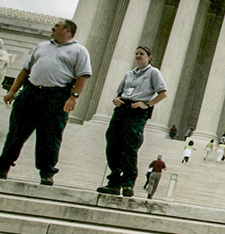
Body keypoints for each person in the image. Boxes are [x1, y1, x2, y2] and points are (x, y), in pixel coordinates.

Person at [0, 19, 91, 185]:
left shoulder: (79, 51)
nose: (53, 28)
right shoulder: (42, 46)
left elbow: (83, 76)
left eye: (57, 26)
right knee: (16, 132)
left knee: (50, 136)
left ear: (67, 31)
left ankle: (46, 172)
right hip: (31, 92)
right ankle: (3, 166)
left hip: (56, 97)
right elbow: (25, 70)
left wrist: (74, 97)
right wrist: (13, 91)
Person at [96, 46, 167, 197]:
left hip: (137, 111)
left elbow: (163, 93)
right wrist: (115, 99)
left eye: (141, 54)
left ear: (149, 57)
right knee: (113, 144)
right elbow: (120, 92)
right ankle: (113, 182)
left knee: (130, 147)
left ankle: (128, 183)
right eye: (136, 54)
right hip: (122, 108)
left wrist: (147, 104)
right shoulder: (129, 74)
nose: (138, 56)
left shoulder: (153, 73)